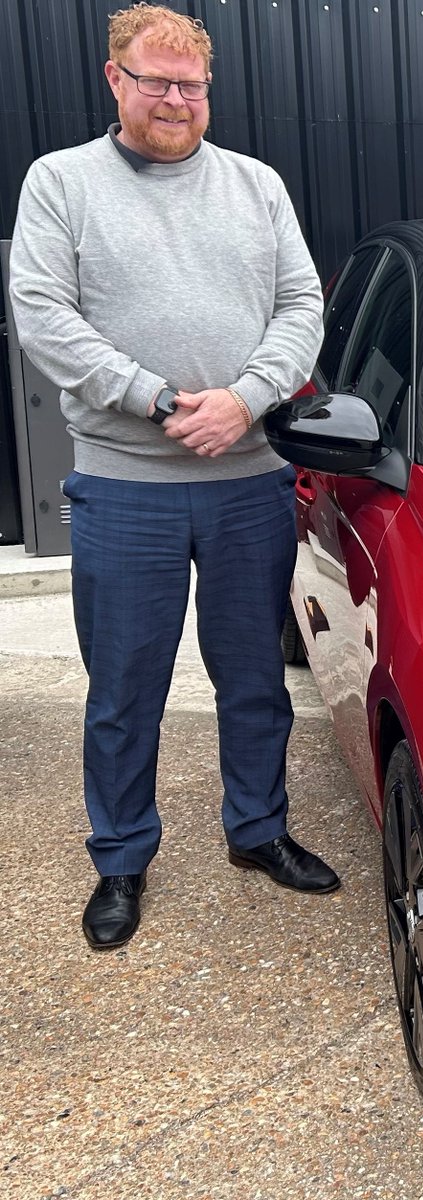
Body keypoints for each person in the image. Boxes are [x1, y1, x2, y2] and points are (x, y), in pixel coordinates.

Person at [7, 3, 336, 951]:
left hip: (249, 482)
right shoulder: (61, 183)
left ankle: (259, 830)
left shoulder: (256, 185)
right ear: (115, 80)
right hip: (124, 489)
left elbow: (300, 303)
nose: (176, 99)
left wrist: (248, 398)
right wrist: (155, 399)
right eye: (156, 80)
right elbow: (43, 314)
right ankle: (119, 857)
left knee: (254, 681)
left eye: (191, 84)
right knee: (125, 687)